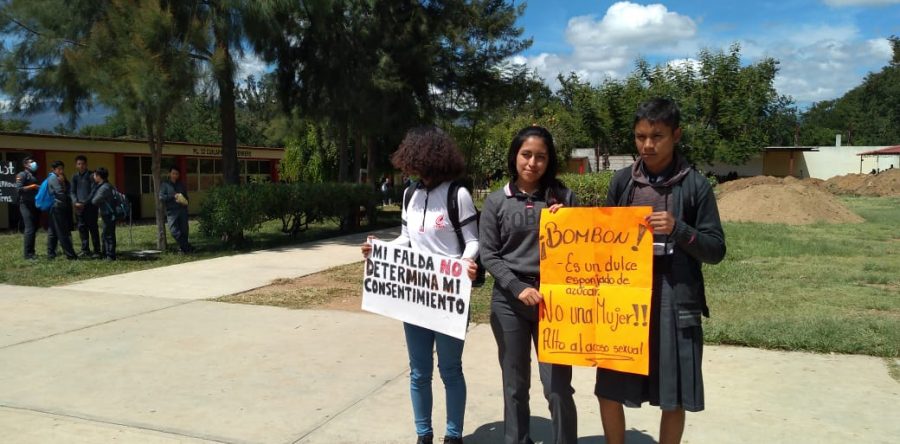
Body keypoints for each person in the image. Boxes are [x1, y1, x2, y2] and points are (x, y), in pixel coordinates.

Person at [595, 98, 726, 444]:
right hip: (625, 298)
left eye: (657, 136)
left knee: (676, 392)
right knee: (608, 385)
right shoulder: (622, 183)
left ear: (676, 135)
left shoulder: (696, 186)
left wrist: (679, 229)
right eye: (640, 137)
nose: (647, 145)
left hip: (675, 296)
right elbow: (602, 240)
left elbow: (716, 249)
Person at [360, 126, 479, 444]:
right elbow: (407, 239)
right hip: (416, 297)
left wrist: (465, 263)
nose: (412, 169)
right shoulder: (410, 194)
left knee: (450, 370)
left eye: (417, 162)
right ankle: (423, 434)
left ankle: (453, 436)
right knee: (418, 372)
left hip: (449, 296)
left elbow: (472, 241)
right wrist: (380, 249)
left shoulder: (458, 195)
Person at [479, 126, 578, 444]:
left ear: (549, 161)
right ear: (514, 156)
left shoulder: (563, 198)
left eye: (541, 157)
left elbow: (583, 249)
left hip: (556, 303)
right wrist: (516, 286)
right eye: (526, 154)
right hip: (510, 304)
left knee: (558, 387)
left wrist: (568, 221)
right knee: (515, 385)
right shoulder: (496, 202)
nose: (533, 162)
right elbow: (488, 255)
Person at [46, 160, 78, 260]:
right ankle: (70, 255)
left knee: (53, 231)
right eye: (58, 169)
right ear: (53, 169)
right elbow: (60, 193)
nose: (61, 171)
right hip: (57, 207)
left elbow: (68, 188)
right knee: (62, 231)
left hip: (57, 207)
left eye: (62, 169)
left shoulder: (61, 177)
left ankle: (51, 253)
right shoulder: (53, 178)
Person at [71, 155, 101, 258]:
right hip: (78, 208)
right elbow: (72, 191)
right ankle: (85, 250)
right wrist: (75, 202)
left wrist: (84, 203)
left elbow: (93, 191)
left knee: (93, 228)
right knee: (82, 228)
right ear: (76, 165)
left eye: (83, 164)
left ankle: (97, 250)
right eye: (79, 164)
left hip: (90, 207)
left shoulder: (92, 176)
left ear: (86, 164)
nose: (81, 166)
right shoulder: (75, 177)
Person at [159, 166, 193, 253]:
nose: (175, 175)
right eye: (173, 173)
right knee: (174, 231)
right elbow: (161, 196)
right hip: (172, 211)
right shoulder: (165, 184)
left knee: (184, 231)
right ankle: (187, 247)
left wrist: (185, 201)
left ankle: (183, 249)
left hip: (182, 210)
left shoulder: (181, 184)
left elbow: (186, 196)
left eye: (176, 174)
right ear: (170, 174)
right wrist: (172, 196)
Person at [15, 156, 40, 260]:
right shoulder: (22, 174)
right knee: (29, 228)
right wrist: (33, 186)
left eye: (34, 161)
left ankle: (32, 252)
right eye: (31, 162)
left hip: (34, 204)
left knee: (33, 228)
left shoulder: (33, 175)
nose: (33, 163)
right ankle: (28, 254)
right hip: (25, 204)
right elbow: (18, 189)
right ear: (25, 165)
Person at [91, 167, 117, 261]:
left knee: (108, 234)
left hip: (108, 214)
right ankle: (106, 253)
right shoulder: (106, 185)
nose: (93, 177)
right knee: (106, 234)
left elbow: (94, 200)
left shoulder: (104, 187)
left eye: (94, 175)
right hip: (106, 213)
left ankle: (110, 255)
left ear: (99, 176)